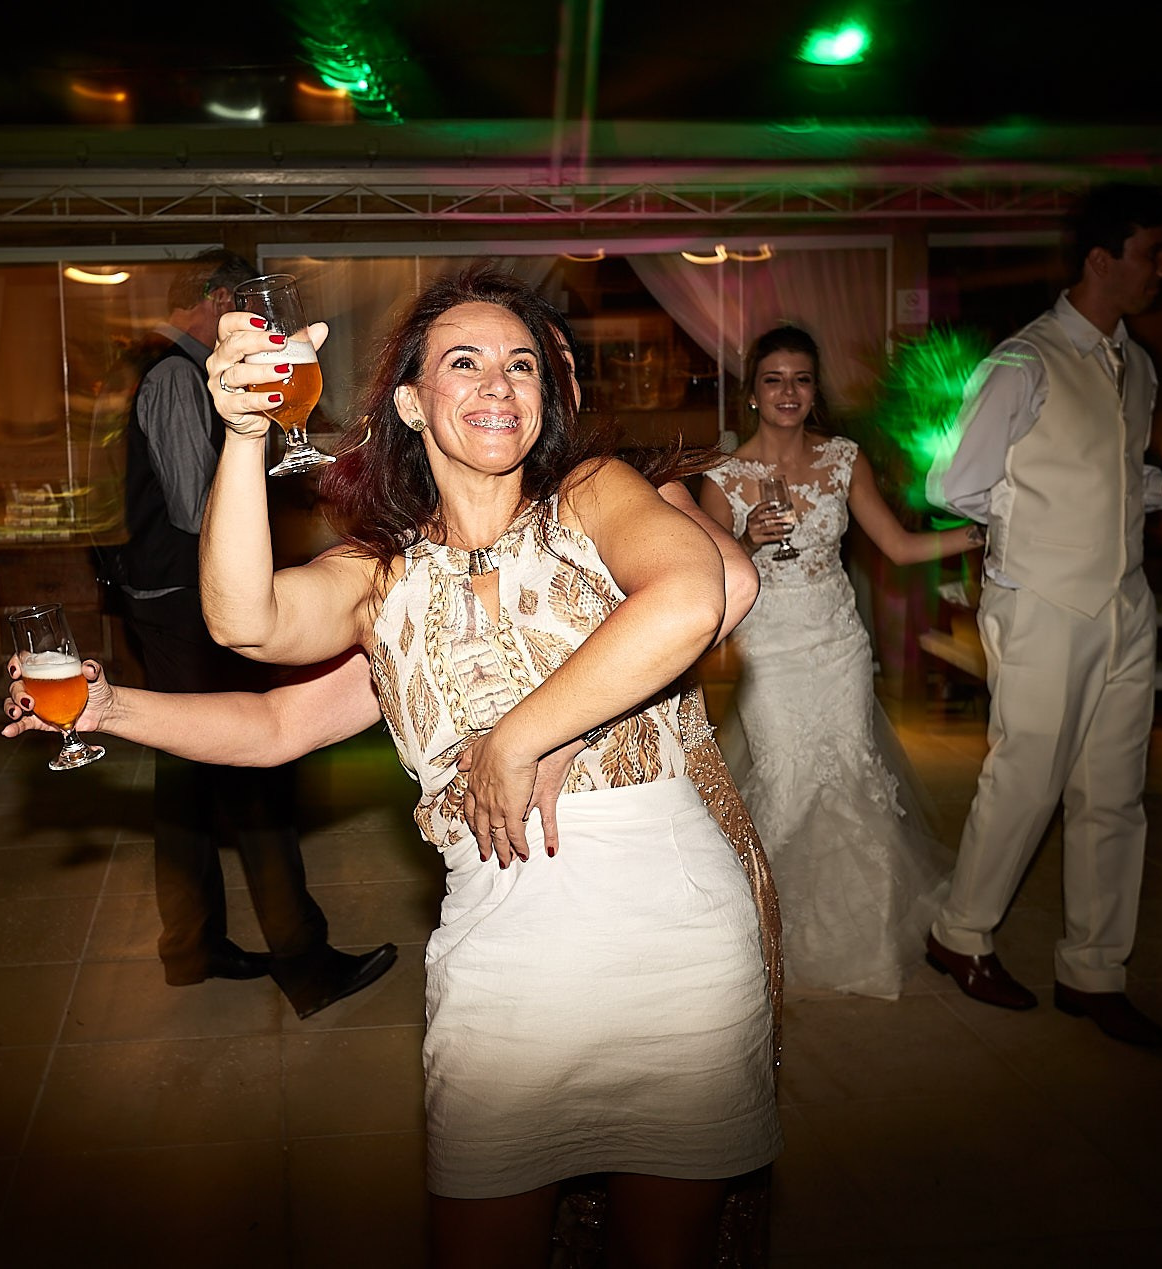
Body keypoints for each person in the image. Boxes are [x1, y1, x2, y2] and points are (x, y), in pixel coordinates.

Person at [193, 266, 778, 1269]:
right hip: (503, 964)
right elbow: (246, 629)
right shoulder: (381, 569)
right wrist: (244, 437)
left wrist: (523, 737)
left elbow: (698, 594)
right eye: (462, 362)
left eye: (518, 365)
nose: (497, 383)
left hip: (675, 944)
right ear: (411, 403)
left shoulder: (593, 497)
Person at [923, 183, 1162, 1049]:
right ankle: (959, 934)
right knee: (1028, 778)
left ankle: (1094, 970)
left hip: (1125, 600)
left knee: (1115, 796)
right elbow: (952, 484)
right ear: (1099, 258)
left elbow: (1120, 472)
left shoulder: (1139, 365)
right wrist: (1024, 549)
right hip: (1042, 600)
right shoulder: (1024, 362)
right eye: (1152, 250)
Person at [94, 247, 395, 1018]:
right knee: (256, 774)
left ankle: (191, 945)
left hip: (157, 596)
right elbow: (199, 513)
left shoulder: (147, 363)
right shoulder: (172, 372)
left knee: (185, 772)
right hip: (185, 604)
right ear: (223, 297)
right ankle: (303, 959)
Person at [698, 325, 981, 1000]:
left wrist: (988, 531)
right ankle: (758, 934)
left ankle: (859, 939)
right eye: (774, 379)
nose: (788, 391)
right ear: (752, 394)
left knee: (851, 779)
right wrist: (745, 536)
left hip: (837, 646)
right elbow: (708, 574)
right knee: (787, 780)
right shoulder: (723, 478)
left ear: (814, 390)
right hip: (769, 652)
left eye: (800, 378)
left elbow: (900, 547)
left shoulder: (843, 459)